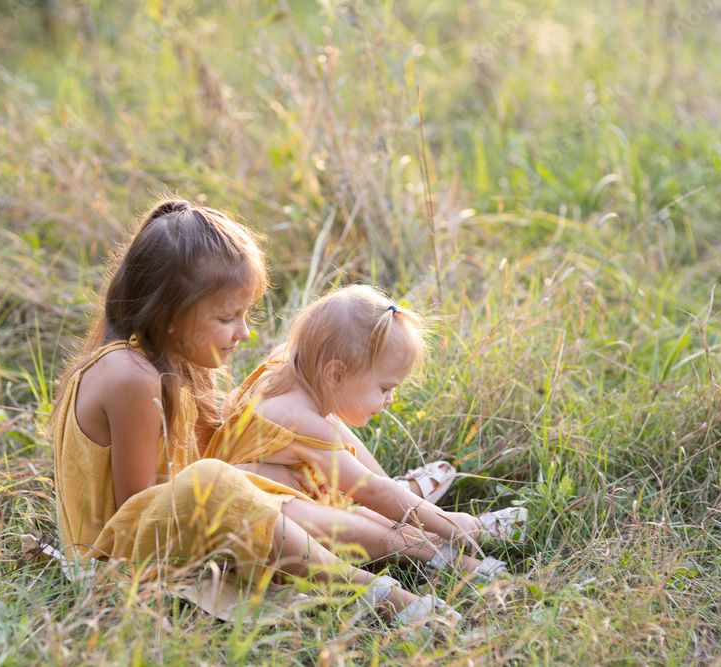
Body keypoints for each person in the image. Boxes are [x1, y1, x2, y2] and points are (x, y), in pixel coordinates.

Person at [51, 200, 463, 625]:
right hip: (111, 565)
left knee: (273, 454)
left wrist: (267, 473)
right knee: (217, 482)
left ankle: (400, 522)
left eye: (245, 313)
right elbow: (138, 513)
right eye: (228, 317)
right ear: (168, 315)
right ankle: (374, 586)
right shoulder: (131, 375)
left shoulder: (178, 360)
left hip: (166, 529)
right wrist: (244, 492)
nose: (244, 332)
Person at [205, 285, 514, 581]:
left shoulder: (283, 371)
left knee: (336, 435)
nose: (389, 400)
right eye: (385, 388)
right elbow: (370, 491)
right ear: (336, 373)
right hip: (263, 534)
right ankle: (454, 541)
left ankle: (417, 520)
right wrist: (455, 522)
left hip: (262, 497)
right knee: (364, 515)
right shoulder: (299, 419)